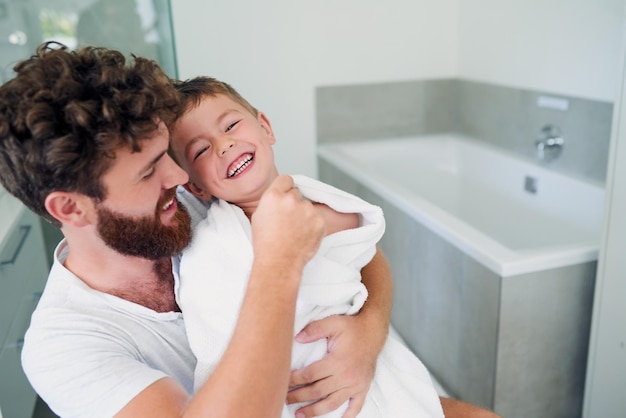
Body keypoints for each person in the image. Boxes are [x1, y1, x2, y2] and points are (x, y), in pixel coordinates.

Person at [0, 42, 498, 418]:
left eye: (170, 158)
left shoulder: (193, 200)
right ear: (71, 207)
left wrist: (366, 336)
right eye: (150, 171)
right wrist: (278, 264)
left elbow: (360, 254)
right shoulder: (65, 347)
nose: (178, 178)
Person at [169, 76, 445, 418]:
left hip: (368, 370)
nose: (223, 145)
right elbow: (220, 341)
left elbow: (365, 258)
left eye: (231, 125)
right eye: (201, 150)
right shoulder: (215, 248)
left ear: (266, 128)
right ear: (196, 188)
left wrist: (367, 331)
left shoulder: (328, 209)